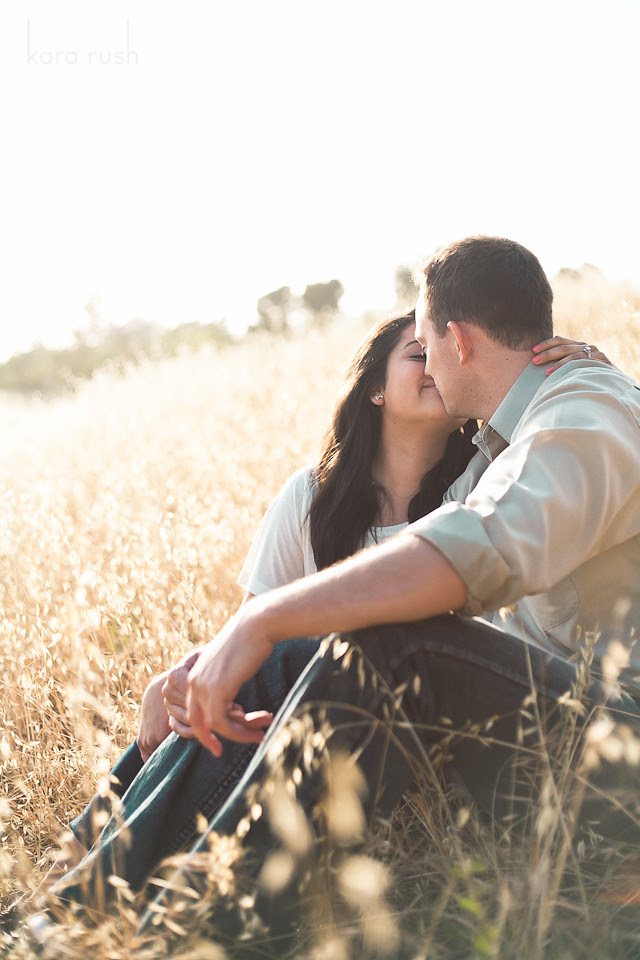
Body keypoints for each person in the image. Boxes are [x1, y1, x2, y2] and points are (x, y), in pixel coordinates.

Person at [42, 240, 632, 933]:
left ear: (459, 342)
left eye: (426, 343)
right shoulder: (524, 431)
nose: (431, 366)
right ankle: (78, 915)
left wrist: (261, 622)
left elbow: (476, 550)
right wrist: (252, 636)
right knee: (304, 655)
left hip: (620, 752)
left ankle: (173, 935)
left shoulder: (578, 416)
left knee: (364, 647)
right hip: (562, 736)